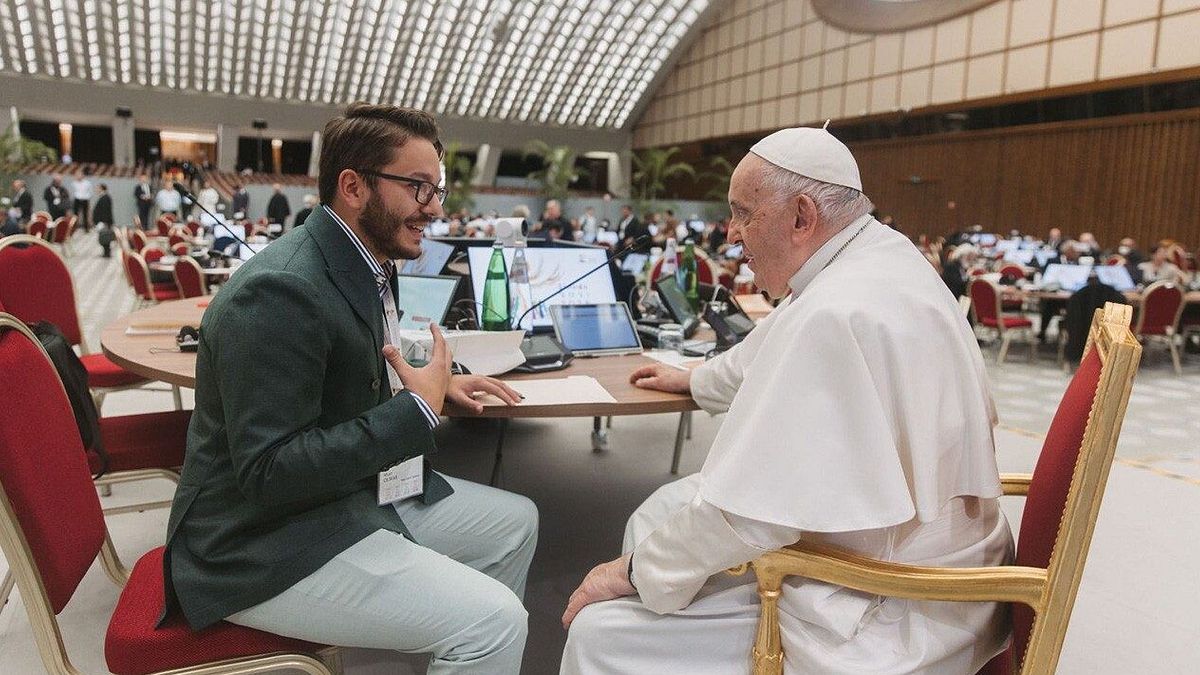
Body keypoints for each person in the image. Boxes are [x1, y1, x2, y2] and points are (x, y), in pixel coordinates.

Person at [560, 127, 1011, 674]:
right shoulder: (876, 260)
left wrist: (629, 573)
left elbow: (749, 517)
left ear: (801, 217)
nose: (731, 235)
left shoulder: (836, 309)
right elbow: (763, 350)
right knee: (659, 511)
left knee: (602, 633)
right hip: (935, 562)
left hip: (889, 605)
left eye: (744, 213)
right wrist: (694, 381)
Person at [161, 102, 538, 674]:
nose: (435, 208)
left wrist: (439, 384)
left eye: (437, 189)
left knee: (517, 522)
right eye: (418, 188)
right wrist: (414, 410)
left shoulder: (361, 262)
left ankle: (450, 646)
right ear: (353, 187)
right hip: (257, 544)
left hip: (343, 497)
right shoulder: (280, 292)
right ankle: (468, 644)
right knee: (495, 622)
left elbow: (356, 362)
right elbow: (268, 473)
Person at [93, 183, 115, 257]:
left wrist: (105, 222)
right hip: (102, 221)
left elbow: (105, 211)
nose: (96, 189)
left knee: (105, 237)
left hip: (104, 222)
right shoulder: (103, 197)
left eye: (98, 188)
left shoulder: (105, 198)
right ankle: (105, 252)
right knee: (104, 237)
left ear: (102, 188)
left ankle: (107, 253)